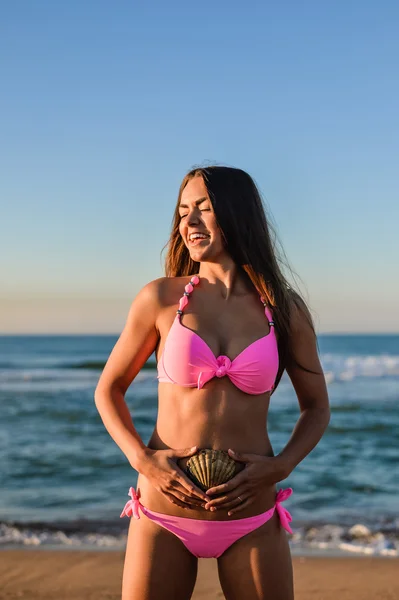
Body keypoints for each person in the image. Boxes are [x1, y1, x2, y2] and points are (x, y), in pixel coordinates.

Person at [94, 165, 330, 600]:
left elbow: (316, 407)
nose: (189, 222)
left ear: (237, 214)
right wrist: (142, 460)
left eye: (204, 208)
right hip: (164, 513)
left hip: (250, 515)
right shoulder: (160, 298)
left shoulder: (283, 308)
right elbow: (108, 389)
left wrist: (283, 465)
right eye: (183, 211)